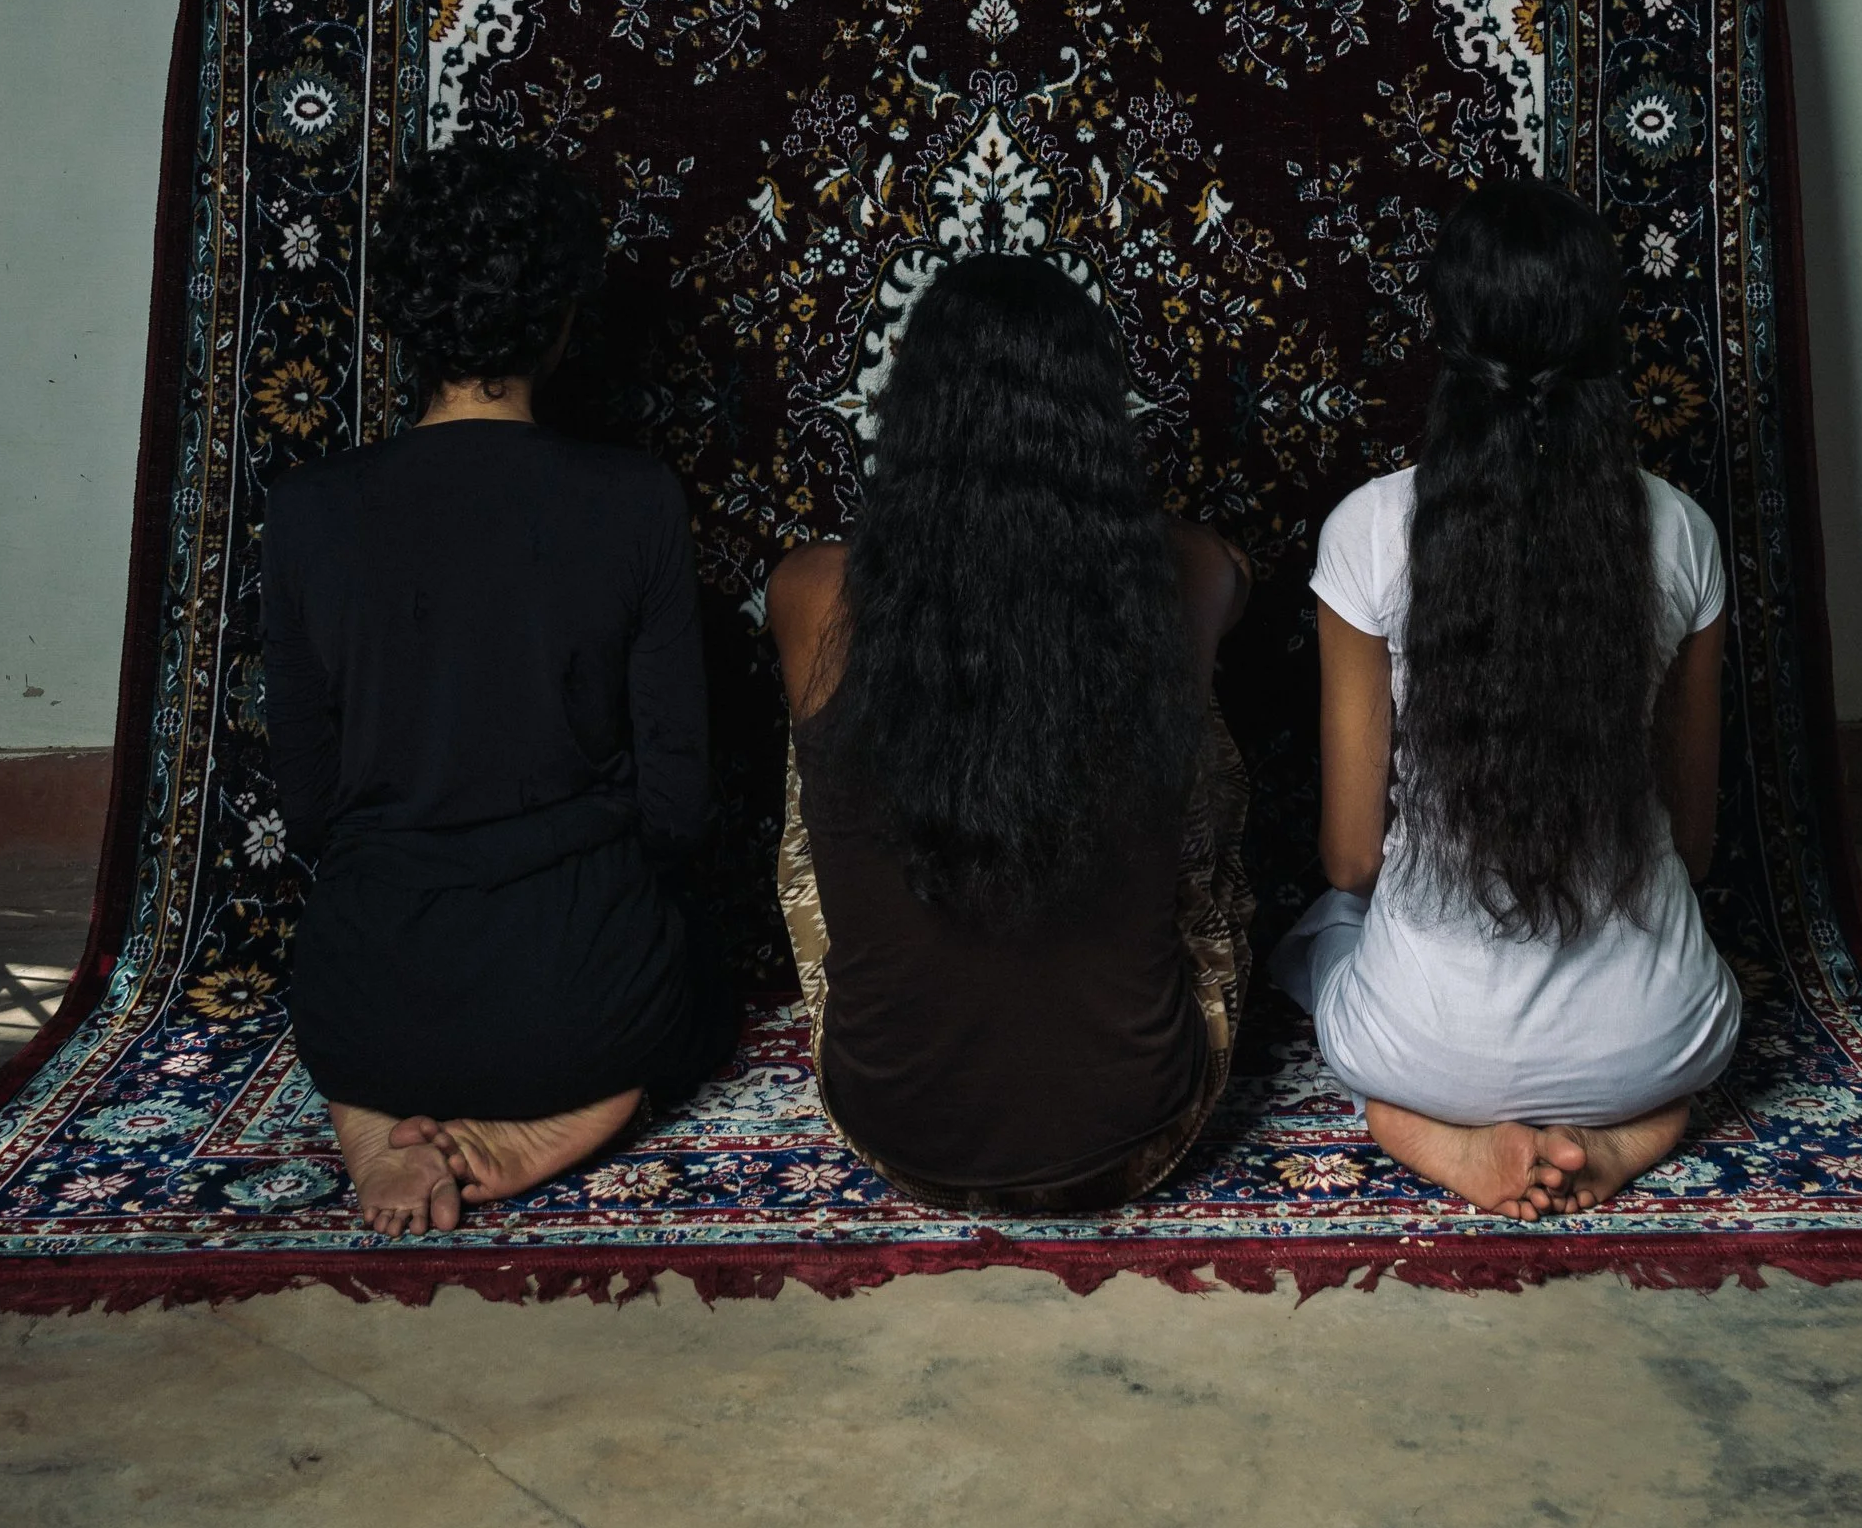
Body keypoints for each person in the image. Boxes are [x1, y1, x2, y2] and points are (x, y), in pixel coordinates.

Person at [264, 143, 733, 1238]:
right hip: (580, 1007)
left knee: (360, 952)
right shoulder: (635, 500)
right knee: (710, 977)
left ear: (405, 327)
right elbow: (678, 808)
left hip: (366, 1005)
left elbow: (307, 807)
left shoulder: (307, 509)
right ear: (561, 324)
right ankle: (590, 1107)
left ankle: (371, 1115)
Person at [1273, 177, 1739, 1220]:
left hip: (1419, 1046)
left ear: (1451, 331)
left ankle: (1410, 1120)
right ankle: (1628, 1127)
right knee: (1710, 1012)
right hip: (1653, 1040)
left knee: (1318, 936)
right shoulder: (1683, 531)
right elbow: (1698, 842)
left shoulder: (1367, 529)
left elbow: (1350, 856)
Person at [765, 253, 1254, 1214]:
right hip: (1140, 1123)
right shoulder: (1188, 573)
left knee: (829, 728)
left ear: (911, 415)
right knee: (1185, 729)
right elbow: (1236, 572)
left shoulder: (809, 591)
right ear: (1097, 421)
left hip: (896, 1125)